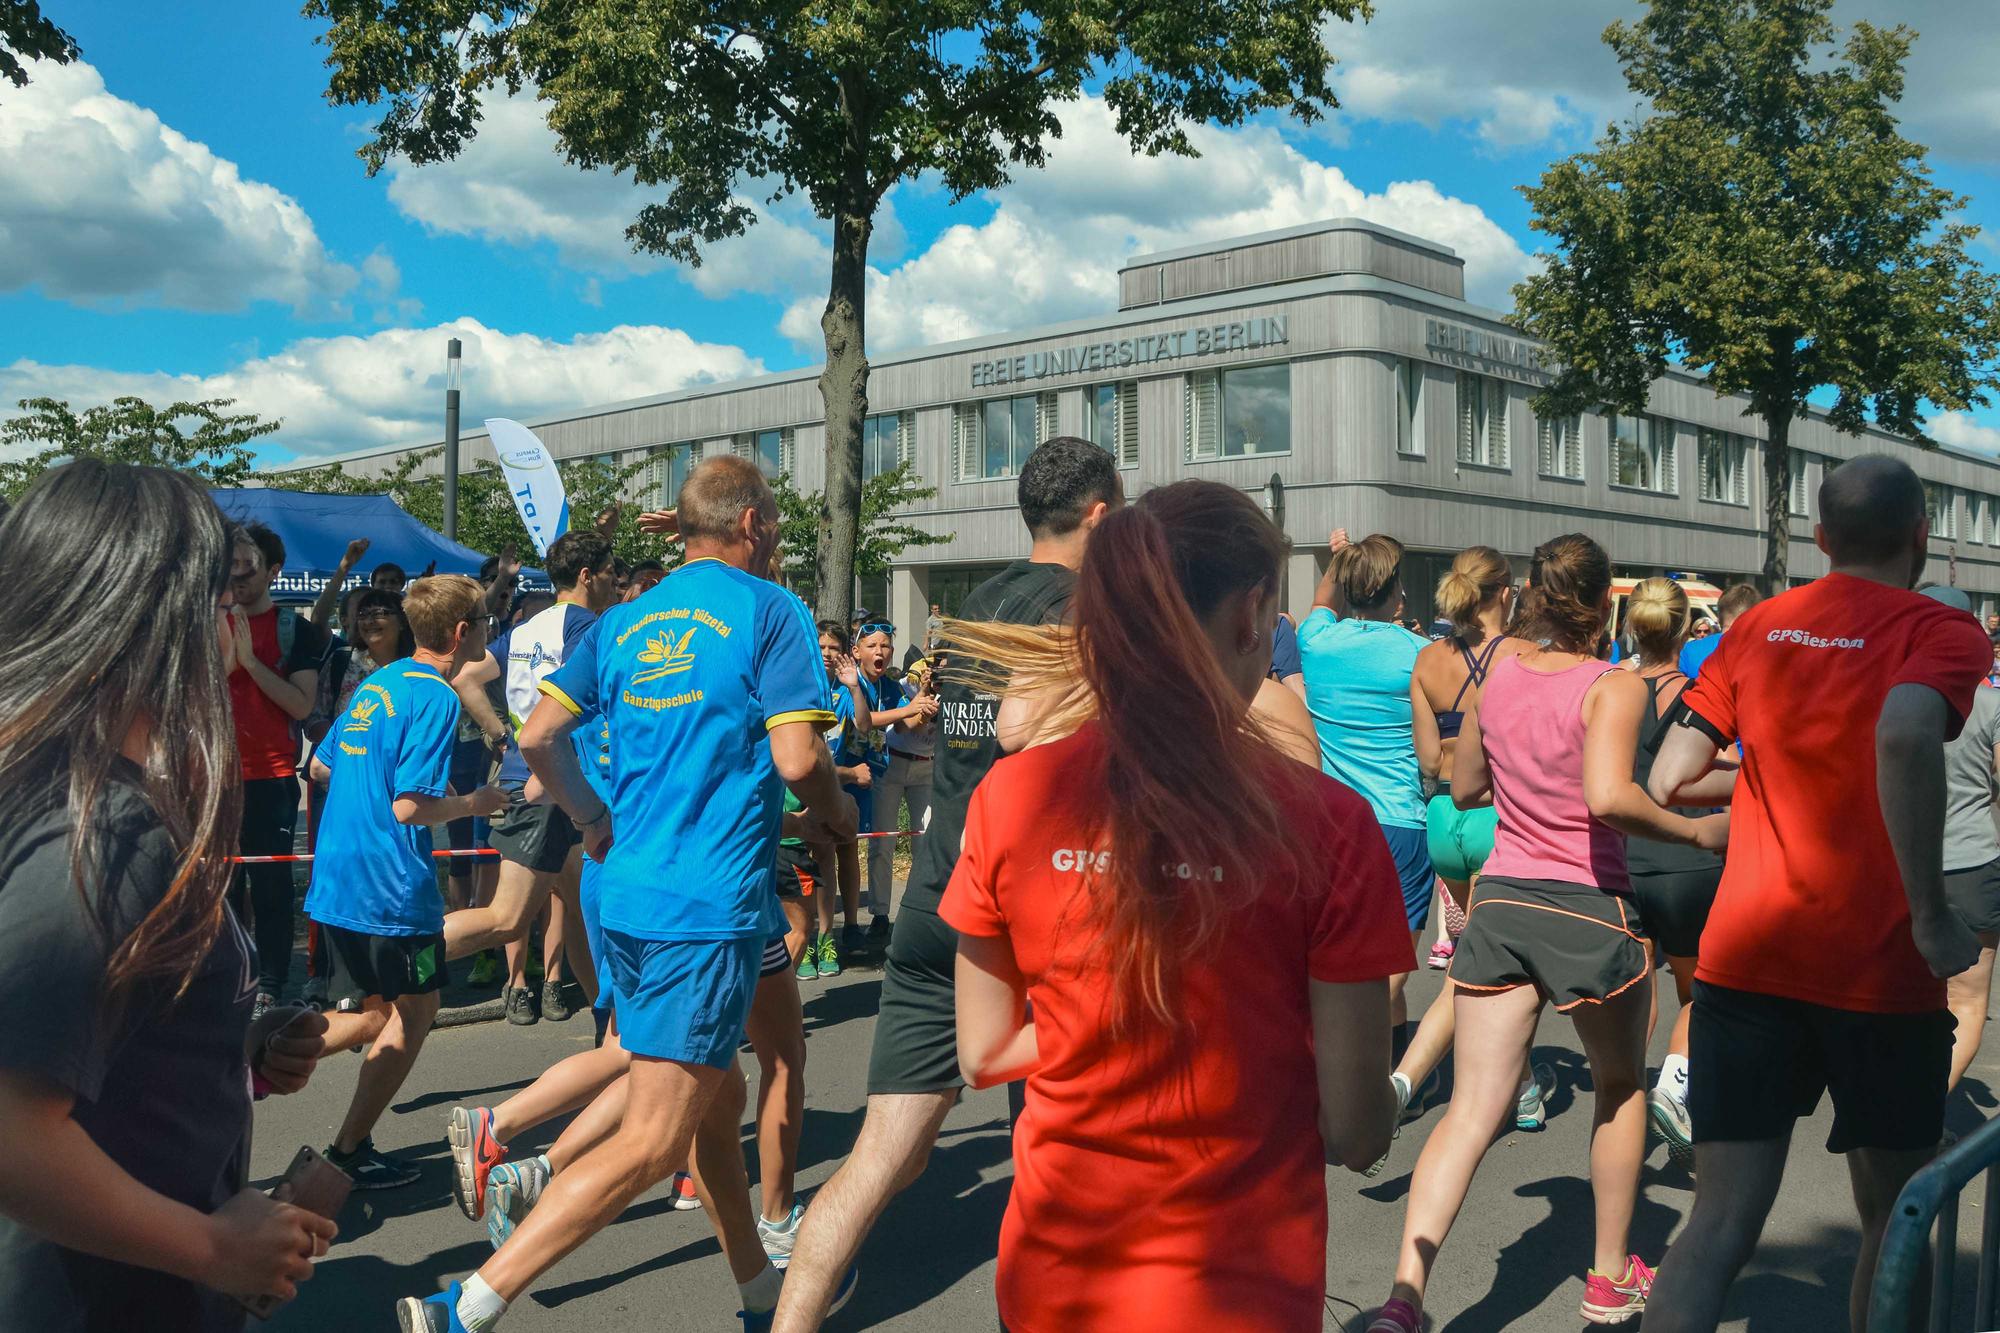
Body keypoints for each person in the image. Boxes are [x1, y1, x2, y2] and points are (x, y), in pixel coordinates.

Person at [396, 455, 857, 1333]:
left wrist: (592, 818)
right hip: (709, 905)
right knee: (652, 1139)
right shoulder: (771, 611)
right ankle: (467, 1305)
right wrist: (832, 811)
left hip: (627, 897)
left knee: (713, 1112)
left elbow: (536, 737)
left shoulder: (621, 620)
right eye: (776, 526)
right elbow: (799, 762)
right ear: (755, 524)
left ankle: (760, 1289)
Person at [939, 479, 1409, 1329]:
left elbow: (984, 1051)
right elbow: (1357, 1130)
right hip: (1238, 1290)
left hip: (1054, 1279)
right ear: (1254, 612)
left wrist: (1100, 1012)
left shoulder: (1010, 797)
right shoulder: (1330, 824)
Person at [770, 437, 1122, 1332]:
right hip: (1038, 899)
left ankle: (788, 1319)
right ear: (1101, 513)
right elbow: (1021, 733)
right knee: (1049, 1146)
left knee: (887, 1151)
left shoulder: (980, 606)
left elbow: (959, 724)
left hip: (938, 890)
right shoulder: (1097, 609)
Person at [1641, 455, 1990, 1333]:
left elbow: (1672, 775)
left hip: (1747, 958)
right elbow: (1909, 735)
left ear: (1823, 538)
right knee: (1895, 1216)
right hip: (1880, 967)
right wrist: (1933, 912)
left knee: (1715, 1223)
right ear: (1919, 536)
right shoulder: (1941, 629)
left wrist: (1769, 771)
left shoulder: (1759, 626)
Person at [0, 461, 337, 1329]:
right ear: (162, 617)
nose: (231, 621)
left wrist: (236, 1042)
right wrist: (211, 1248)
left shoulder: (58, 791)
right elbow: (12, 1127)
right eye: (219, 596)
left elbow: (75, 1028)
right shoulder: (103, 834)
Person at [1369, 534, 1726, 1333]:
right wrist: (1699, 834)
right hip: (1588, 905)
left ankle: (1403, 1296)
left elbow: (1464, 783)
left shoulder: (1498, 677)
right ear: (1607, 604)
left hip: (1501, 901)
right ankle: (1606, 1278)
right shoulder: (1614, 685)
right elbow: (1608, 797)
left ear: (1530, 591)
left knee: (1469, 1110)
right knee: (1621, 1086)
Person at [304, 576, 509, 1188]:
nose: (491, 629)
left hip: (339, 874)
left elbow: (319, 766)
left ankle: (263, 1067)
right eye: (485, 620)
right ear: (461, 634)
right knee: (412, 1012)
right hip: (389, 888)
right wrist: (475, 801)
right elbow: (408, 809)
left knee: (378, 1012)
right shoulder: (438, 698)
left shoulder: (379, 682)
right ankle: (341, 1143)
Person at [1382, 547, 1533, 1171]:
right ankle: (1504, 1091)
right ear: (1504, 593)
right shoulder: (1524, 657)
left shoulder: (1425, 659)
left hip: (1443, 818)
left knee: (1476, 955)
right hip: (1500, 813)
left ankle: (1513, 1086)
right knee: (1499, 966)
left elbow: (1424, 758)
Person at [445, 530, 619, 1024]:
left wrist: (501, 736)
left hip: (546, 779)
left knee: (584, 917)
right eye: (609, 572)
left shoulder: (526, 627)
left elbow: (466, 679)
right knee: (508, 917)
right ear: (587, 576)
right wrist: (513, 741)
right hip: (554, 782)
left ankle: (606, 1021)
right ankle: (406, 956)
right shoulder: (586, 627)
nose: (614, 582)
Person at [1297, 534, 1436, 1040]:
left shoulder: (1315, 640)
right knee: (1391, 960)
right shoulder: (1421, 654)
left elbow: (1318, 602)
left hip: (1335, 821)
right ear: (1396, 589)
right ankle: (1355, 1069)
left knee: (1350, 944)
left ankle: (1389, 1069)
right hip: (1401, 819)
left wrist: (1340, 560)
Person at [1619, 578, 1734, 1167]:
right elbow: (1732, 759)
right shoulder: (1699, 694)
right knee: (1699, 992)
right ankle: (1676, 1085)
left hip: (1623, 860)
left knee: (1640, 989)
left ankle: (1627, 1094)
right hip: (1689, 860)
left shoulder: (1609, 691)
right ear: (1688, 628)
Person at [227, 521, 331, 1016]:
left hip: (270, 778)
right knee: (218, 890)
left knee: (269, 888)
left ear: (273, 571)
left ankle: (269, 983)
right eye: (229, 567)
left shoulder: (298, 630)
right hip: (212, 779)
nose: (236, 577)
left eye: (246, 567)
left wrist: (249, 661)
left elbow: (299, 704)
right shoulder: (207, 623)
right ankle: (224, 980)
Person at [1921, 585, 2000, 1098]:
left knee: (1898, 997)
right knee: (1966, 1003)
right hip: (1973, 865)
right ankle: (1924, 1107)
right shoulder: (1992, 703)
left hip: (1895, 868)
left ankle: (1891, 1110)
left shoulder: (1884, 697)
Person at [798, 622, 873, 979]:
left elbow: (863, 726)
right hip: (798, 788)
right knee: (801, 868)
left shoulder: (846, 689)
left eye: (834, 648)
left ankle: (826, 938)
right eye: (822, 647)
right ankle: (805, 936)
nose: (827, 654)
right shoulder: (800, 681)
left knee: (827, 860)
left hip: (831, 788)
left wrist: (855, 688)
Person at [857, 624, 939, 945]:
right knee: (883, 843)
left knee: (926, 840)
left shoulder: (944, 687)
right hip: (891, 766)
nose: (881, 651)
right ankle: (879, 914)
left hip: (925, 770)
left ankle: (918, 911)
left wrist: (924, 703)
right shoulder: (899, 685)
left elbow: (910, 724)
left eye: (885, 646)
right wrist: (915, 700)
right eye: (874, 645)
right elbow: (899, 725)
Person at [1678, 583, 1761, 680]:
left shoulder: (1689, 651)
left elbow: (1675, 690)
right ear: (1758, 618)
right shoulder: (1771, 654)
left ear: (1718, 619)